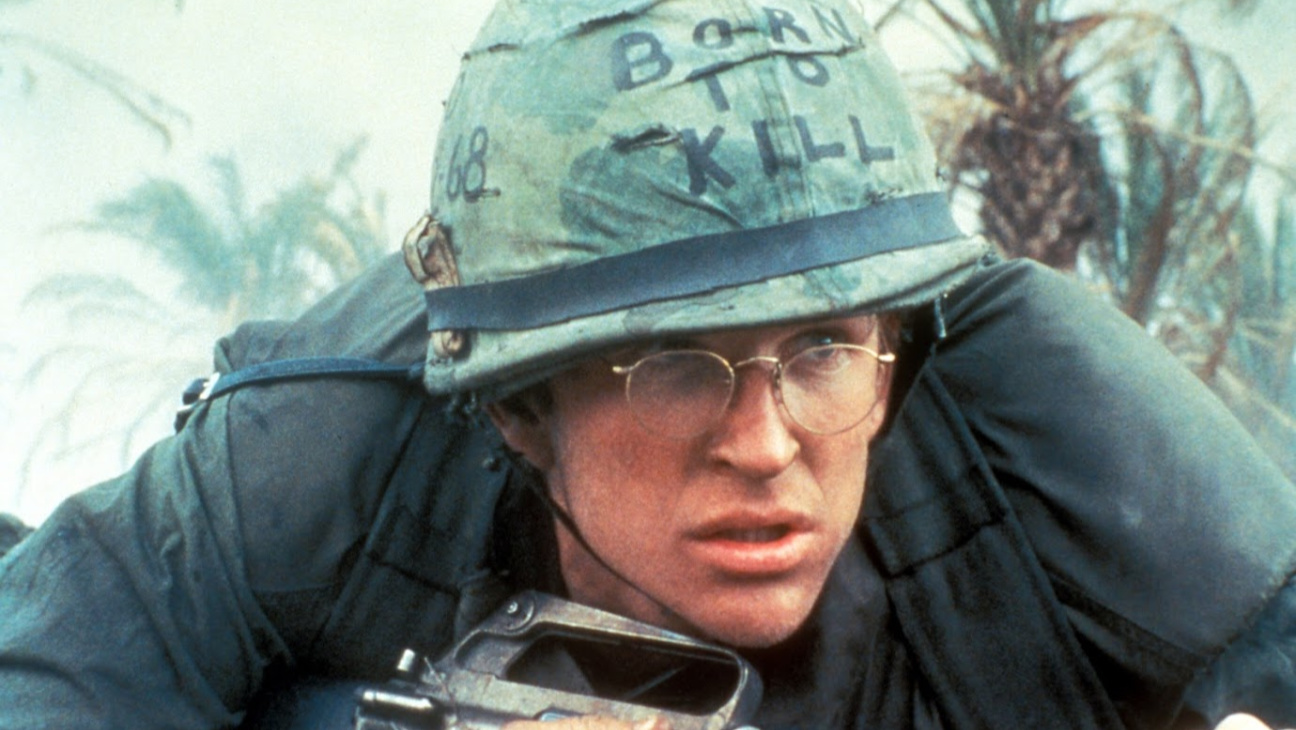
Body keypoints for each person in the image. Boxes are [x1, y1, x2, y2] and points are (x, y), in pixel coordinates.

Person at [1, 0, 1295, 728]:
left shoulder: (1044, 415)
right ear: (518, 405)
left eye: (825, 350)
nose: (767, 444)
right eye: (676, 366)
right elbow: (59, 665)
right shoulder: (329, 444)